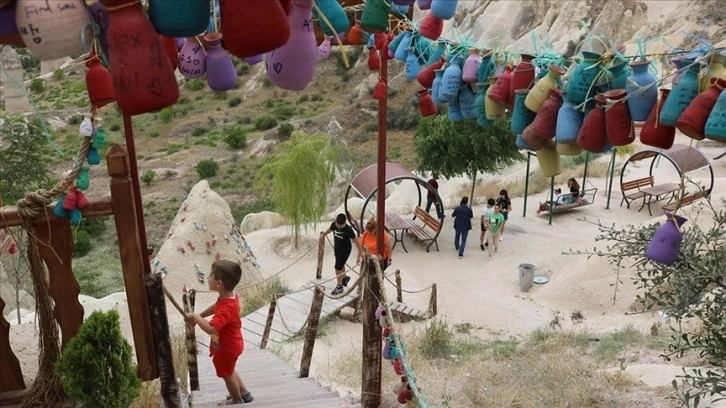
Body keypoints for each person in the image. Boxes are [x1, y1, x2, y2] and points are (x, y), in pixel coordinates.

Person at [187, 260, 253, 405]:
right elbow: (216, 306)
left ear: (219, 283)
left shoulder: (227, 308)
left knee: (227, 374)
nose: (208, 278)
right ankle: (244, 393)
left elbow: (211, 328)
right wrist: (200, 315)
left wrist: (196, 317)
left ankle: (237, 399)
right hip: (233, 343)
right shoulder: (230, 297)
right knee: (230, 370)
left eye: (211, 275)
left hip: (227, 347)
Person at [323, 214, 363, 296]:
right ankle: (344, 278)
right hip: (337, 248)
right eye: (338, 225)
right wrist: (323, 235)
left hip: (345, 250)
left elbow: (356, 241)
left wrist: (360, 251)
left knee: (337, 267)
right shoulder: (334, 225)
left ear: (345, 223)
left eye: (341, 225)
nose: (339, 227)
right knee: (341, 265)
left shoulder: (348, 229)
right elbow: (330, 229)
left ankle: (339, 286)